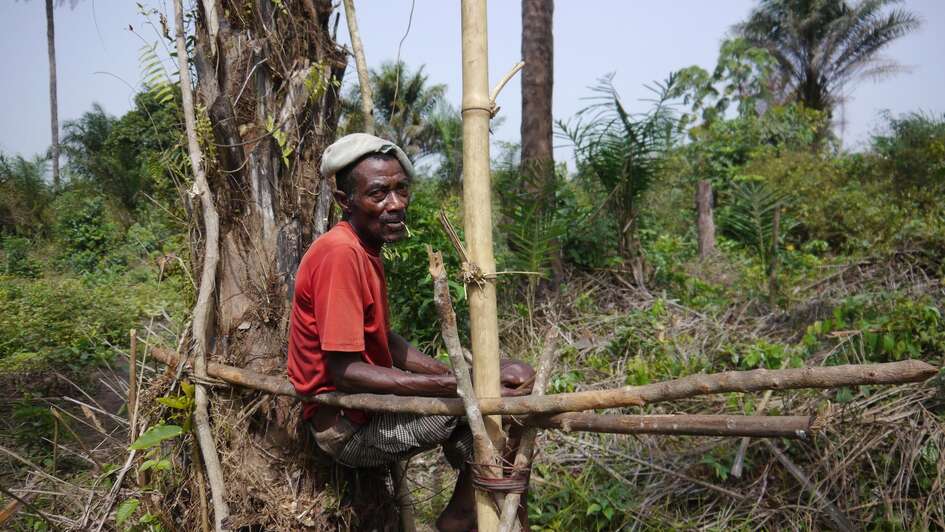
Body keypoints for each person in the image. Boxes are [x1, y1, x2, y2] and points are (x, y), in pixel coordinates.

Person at [287, 133, 533, 531]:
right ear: (344, 201)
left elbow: (383, 339)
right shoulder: (341, 254)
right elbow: (345, 371)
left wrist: (448, 374)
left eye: (402, 189)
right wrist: (461, 386)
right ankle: (460, 517)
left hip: (368, 409)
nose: (396, 204)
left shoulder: (364, 247)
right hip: (348, 427)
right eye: (379, 193)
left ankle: (477, 505)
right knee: (500, 411)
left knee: (511, 389)